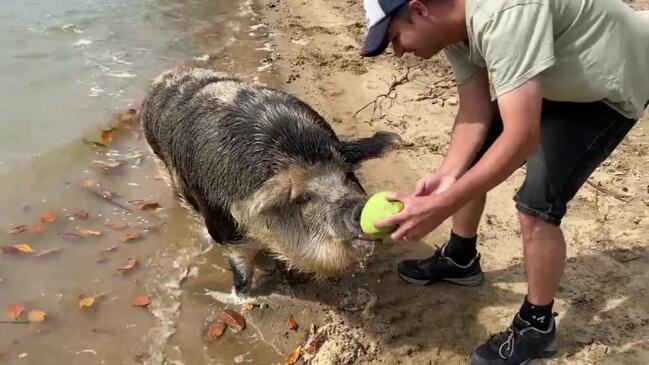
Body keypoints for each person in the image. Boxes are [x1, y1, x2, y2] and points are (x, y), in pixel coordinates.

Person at [359, 0, 649, 364]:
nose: (398, 52)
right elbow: (474, 110)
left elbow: (522, 137)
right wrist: (448, 176)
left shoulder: (504, 13)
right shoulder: (455, 30)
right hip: (556, 78)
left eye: (395, 38)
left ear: (419, 9)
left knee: (536, 207)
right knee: (468, 162)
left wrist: (440, 207)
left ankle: (537, 327)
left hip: (611, 83)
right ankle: (461, 258)